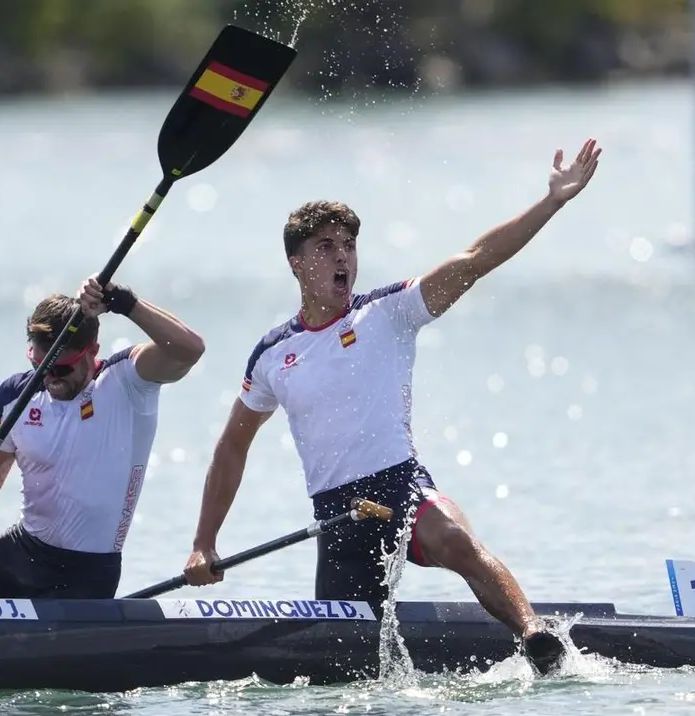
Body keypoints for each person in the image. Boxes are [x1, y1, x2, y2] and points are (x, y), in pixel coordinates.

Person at [182, 138, 602, 675]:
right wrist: (204, 543)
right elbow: (232, 446)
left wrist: (552, 201)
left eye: (348, 245)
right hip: (337, 519)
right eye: (325, 247)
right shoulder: (271, 355)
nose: (342, 256)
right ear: (296, 263)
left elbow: (476, 260)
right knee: (340, 676)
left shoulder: (389, 312)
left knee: (453, 540)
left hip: (400, 489)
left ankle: (533, 634)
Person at [0, 276, 205, 600]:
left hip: (88, 575)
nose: (50, 379)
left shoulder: (128, 382)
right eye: (40, 366)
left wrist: (125, 302)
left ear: (92, 350)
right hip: (22, 552)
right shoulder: (15, 396)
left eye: (61, 369)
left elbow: (189, 349)